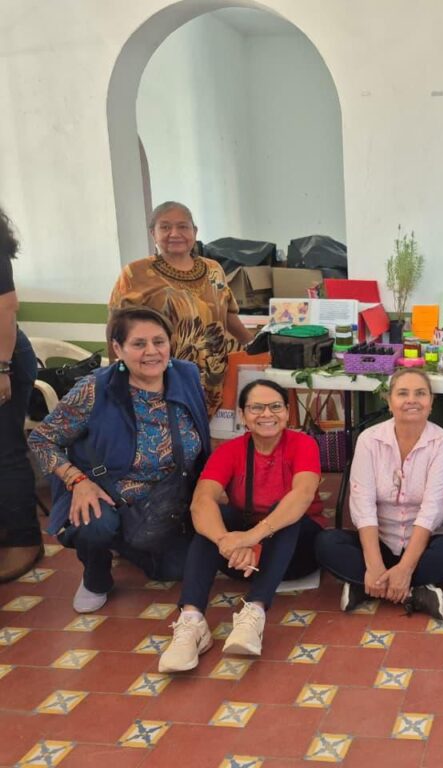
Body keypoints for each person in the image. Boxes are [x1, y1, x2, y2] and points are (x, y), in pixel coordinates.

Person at [28, 307, 210, 612]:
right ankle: (95, 575)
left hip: (169, 498)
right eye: (139, 344)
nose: (151, 352)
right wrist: (78, 480)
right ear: (117, 348)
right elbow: (42, 439)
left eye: (159, 342)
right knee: (94, 525)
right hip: (108, 495)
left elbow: (201, 433)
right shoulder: (95, 388)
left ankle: (129, 542)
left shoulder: (187, 375)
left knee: (174, 570)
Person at [158, 379, 324, 672]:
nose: (267, 414)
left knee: (287, 511)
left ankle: (254, 613)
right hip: (241, 558)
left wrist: (250, 539)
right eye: (256, 408)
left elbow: (302, 496)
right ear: (242, 415)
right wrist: (226, 540)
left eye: (275, 407)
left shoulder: (303, 444)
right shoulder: (230, 451)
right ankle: (192, 621)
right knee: (213, 516)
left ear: (287, 412)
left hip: (296, 553)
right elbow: (201, 501)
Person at [315, 369, 443, 620]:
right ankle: (415, 591)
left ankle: (368, 586)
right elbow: (362, 505)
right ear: (389, 401)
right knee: (326, 544)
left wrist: (406, 567)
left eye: (420, 393)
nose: (412, 400)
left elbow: (432, 512)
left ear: (431, 402)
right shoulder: (369, 440)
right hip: (379, 542)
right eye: (402, 393)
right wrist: (374, 564)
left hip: (425, 544)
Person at [109, 201, 253, 418]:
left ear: (194, 231)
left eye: (183, 226)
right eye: (165, 227)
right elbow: (115, 325)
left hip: (211, 378)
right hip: (156, 377)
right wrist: (117, 372)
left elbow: (228, 313)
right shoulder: (135, 273)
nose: (174, 233)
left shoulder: (214, 269)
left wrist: (254, 345)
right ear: (153, 233)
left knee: (200, 433)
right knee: (164, 433)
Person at [0, 206, 41, 582]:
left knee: (6, 449)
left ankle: (24, 539)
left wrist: (2, 368)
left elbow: (5, 309)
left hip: (5, 358)